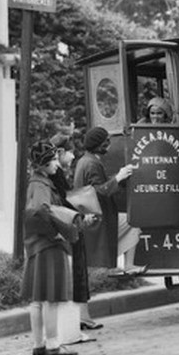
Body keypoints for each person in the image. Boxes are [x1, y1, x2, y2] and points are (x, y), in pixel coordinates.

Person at [23, 140, 98, 355]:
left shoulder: (36, 182)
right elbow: (40, 210)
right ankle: (53, 345)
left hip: (36, 245)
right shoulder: (42, 185)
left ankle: (39, 345)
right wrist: (55, 232)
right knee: (50, 298)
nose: (57, 164)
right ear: (44, 163)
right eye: (54, 159)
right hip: (49, 246)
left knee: (37, 299)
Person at [72, 127, 143, 277]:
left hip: (90, 218)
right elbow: (100, 191)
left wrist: (120, 177)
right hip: (99, 220)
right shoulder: (92, 164)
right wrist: (118, 177)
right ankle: (129, 265)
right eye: (106, 142)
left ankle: (126, 265)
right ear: (99, 144)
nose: (109, 145)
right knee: (133, 222)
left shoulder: (84, 161)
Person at [50, 132, 103, 332]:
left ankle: (83, 316)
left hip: (70, 225)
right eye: (70, 152)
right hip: (69, 226)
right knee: (77, 272)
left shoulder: (57, 173)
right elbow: (63, 202)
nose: (73, 157)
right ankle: (81, 317)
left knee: (78, 271)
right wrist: (80, 218)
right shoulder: (56, 175)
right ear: (61, 152)